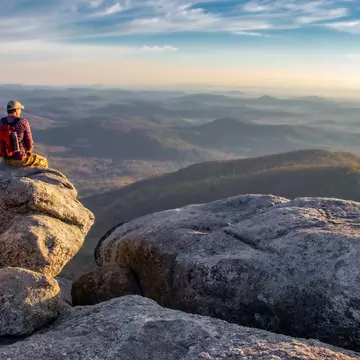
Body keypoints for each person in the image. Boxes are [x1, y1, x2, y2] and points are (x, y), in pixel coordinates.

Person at [0, 100, 48, 168]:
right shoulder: (23, 122)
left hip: (4, 160)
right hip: (19, 159)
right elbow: (29, 145)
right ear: (16, 110)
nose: (20, 111)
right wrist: (27, 153)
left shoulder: (1, 122)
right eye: (19, 109)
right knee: (44, 161)